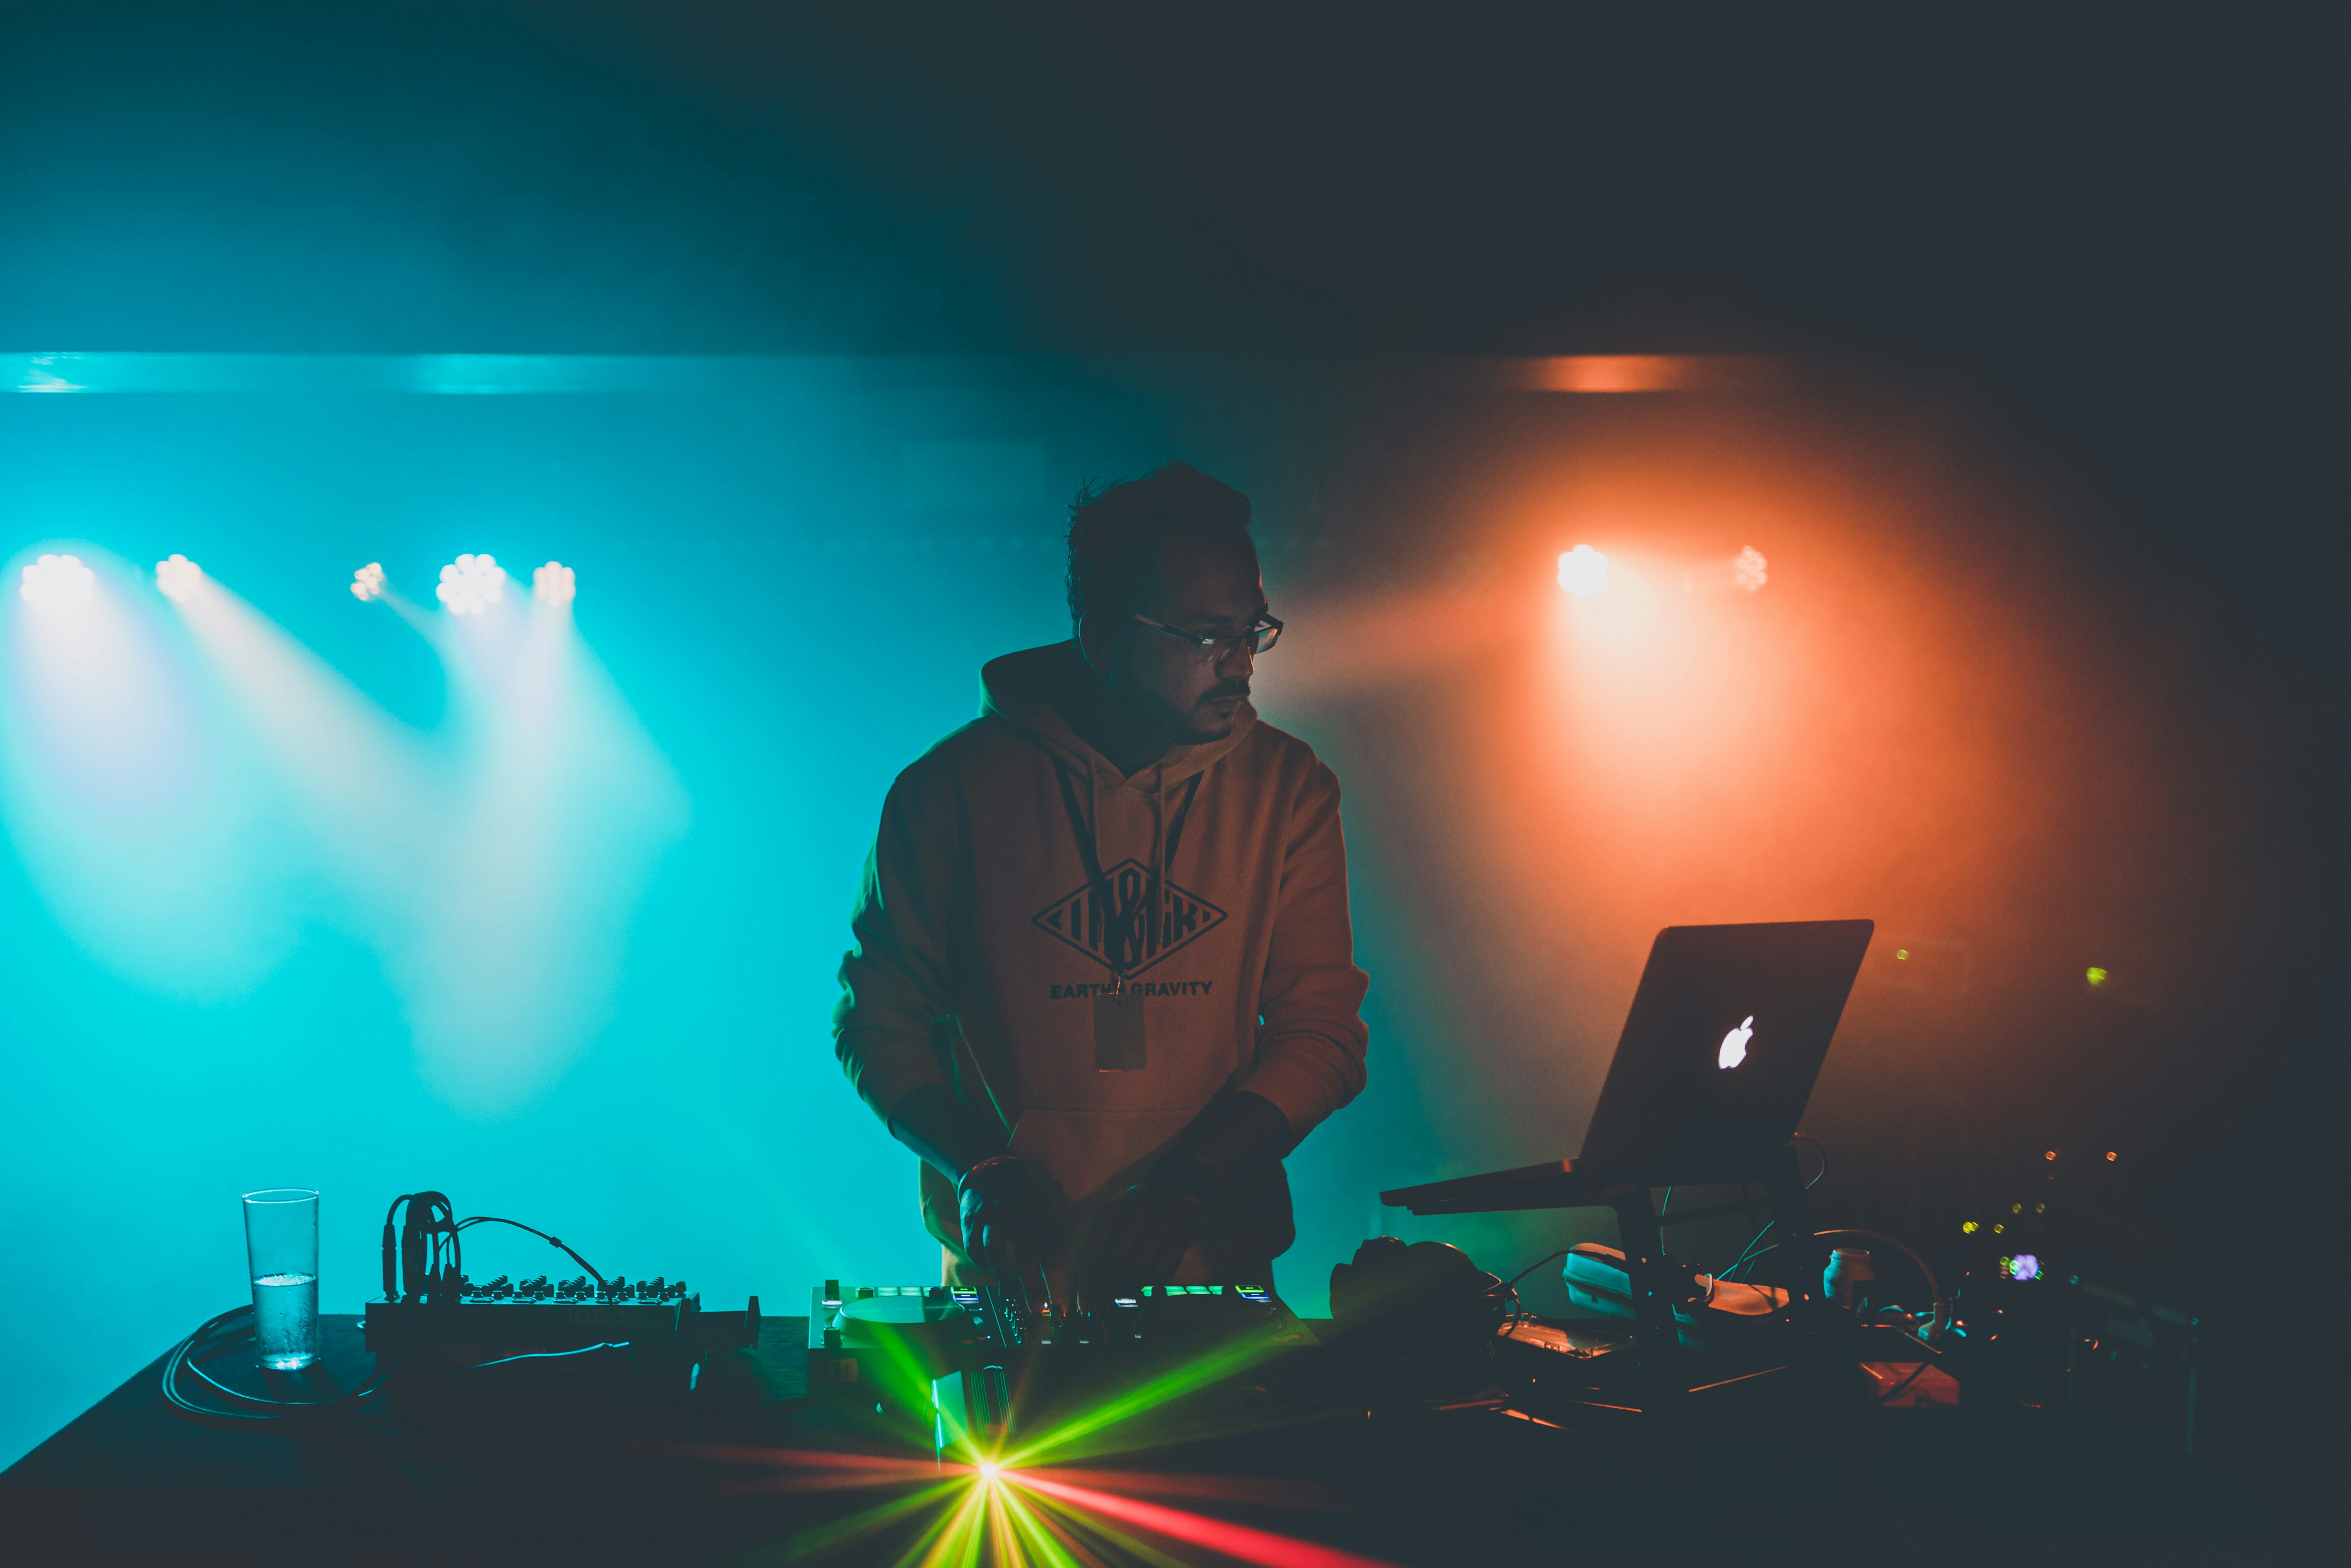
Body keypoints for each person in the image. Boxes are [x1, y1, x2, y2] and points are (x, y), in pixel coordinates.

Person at [833, 463, 1370, 1304]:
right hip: (1010, 1289)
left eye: (1251, 631)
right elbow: (877, 1019)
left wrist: (1189, 1181)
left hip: (1217, 1287)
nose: (1240, 664)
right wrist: (983, 1168)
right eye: (1205, 636)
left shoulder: (1288, 788)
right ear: (1103, 637)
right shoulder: (948, 792)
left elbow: (1323, 1033)